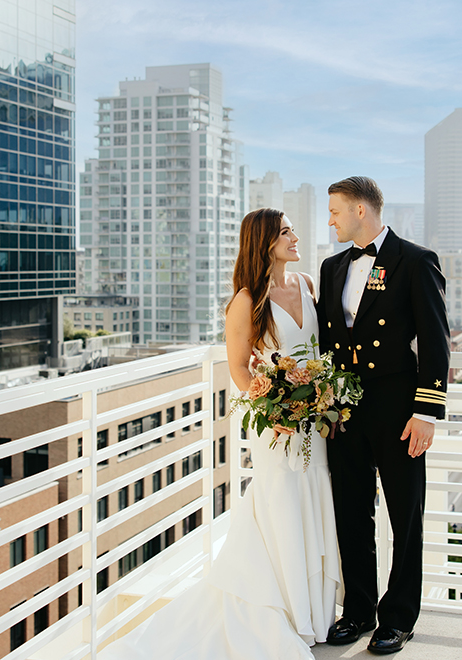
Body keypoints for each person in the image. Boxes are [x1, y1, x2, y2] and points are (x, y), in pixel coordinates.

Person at [106, 208, 340, 658]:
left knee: (313, 497)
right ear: (266, 241)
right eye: (286, 231)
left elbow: (320, 351)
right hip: (277, 426)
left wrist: (321, 395)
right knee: (281, 502)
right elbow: (238, 366)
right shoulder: (246, 300)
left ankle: (314, 610)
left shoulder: (308, 285)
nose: (295, 237)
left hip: (316, 421)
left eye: (292, 230)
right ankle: (283, 608)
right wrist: (274, 405)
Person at [317, 176, 451, 654]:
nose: (328, 219)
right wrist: (323, 404)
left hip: (398, 409)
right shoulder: (333, 266)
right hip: (345, 412)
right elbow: (328, 347)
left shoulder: (414, 261)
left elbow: (436, 344)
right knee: (351, 513)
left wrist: (427, 412)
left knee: (404, 515)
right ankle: (358, 611)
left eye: (334, 210)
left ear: (359, 210)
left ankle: (398, 618)